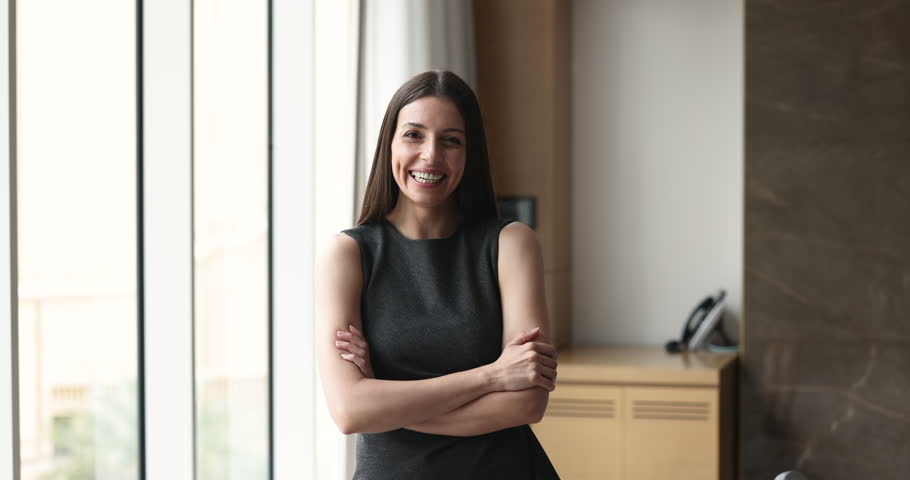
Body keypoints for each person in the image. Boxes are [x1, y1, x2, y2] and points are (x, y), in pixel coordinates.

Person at [316, 70, 560, 479]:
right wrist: (492, 376)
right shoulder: (348, 254)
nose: (431, 155)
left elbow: (526, 404)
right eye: (414, 135)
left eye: (451, 140)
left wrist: (383, 398)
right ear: (389, 144)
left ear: (470, 153)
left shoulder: (511, 245)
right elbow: (348, 411)